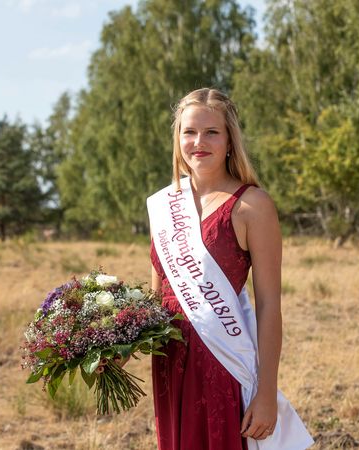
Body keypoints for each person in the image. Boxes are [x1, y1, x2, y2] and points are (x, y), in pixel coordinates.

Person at [147, 88, 313, 450]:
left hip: (221, 361)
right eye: (189, 132)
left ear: (229, 140)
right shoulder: (164, 206)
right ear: (178, 139)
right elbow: (157, 298)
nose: (198, 142)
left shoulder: (252, 205)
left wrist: (266, 393)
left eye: (211, 132)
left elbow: (269, 304)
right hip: (170, 361)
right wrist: (118, 345)